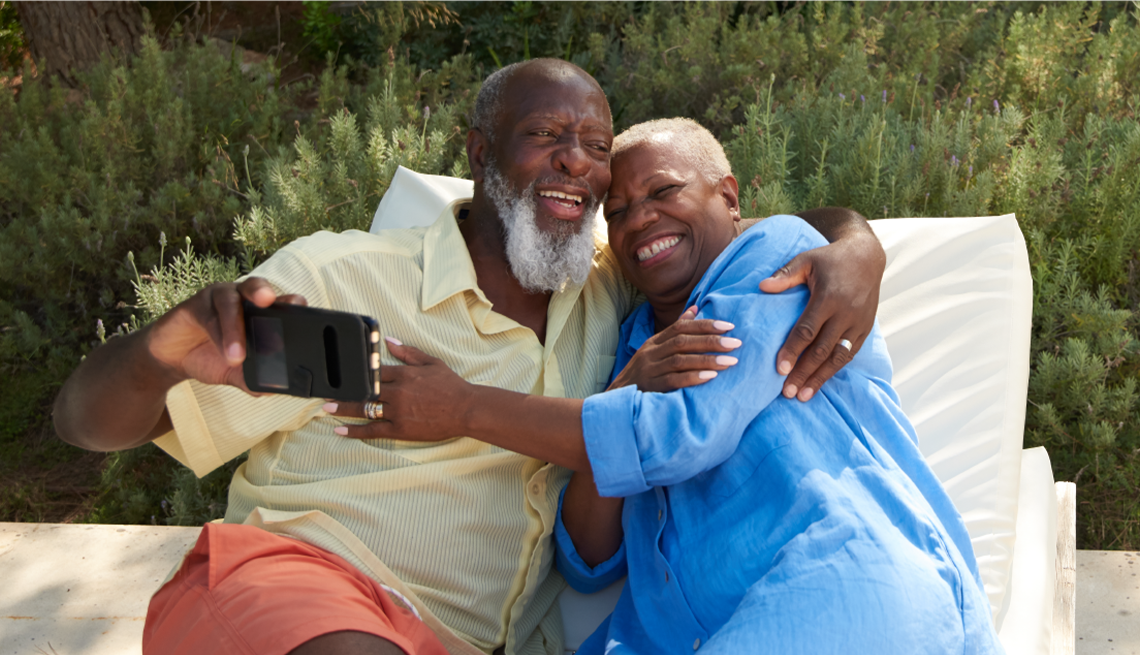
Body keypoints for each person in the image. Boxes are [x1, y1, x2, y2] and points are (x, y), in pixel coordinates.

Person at [52, 60, 885, 655]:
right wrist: (157, 354)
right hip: (305, 590)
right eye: (546, 135)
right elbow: (85, 422)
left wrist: (853, 244)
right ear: (482, 153)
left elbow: (719, 227)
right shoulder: (344, 275)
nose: (579, 161)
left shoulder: (611, 293)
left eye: (595, 146)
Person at [330, 118, 1003, 654]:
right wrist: (623, 388)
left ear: (730, 197)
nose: (638, 221)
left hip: (841, 586)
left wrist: (464, 406)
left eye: (663, 193)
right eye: (617, 211)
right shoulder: (629, 344)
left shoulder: (776, 260)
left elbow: (682, 434)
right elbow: (589, 558)